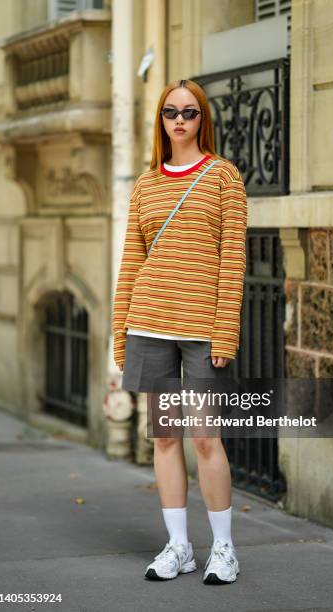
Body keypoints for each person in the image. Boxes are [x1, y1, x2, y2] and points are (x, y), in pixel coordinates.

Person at [112, 78, 247, 584]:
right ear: (161, 120)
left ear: (202, 119)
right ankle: (179, 547)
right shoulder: (147, 185)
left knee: (206, 438)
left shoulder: (223, 178)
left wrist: (224, 331)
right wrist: (120, 334)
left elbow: (232, 261)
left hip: (200, 330)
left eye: (190, 112)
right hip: (149, 324)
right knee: (165, 439)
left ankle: (225, 550)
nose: (180, 120)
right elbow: (132, 262)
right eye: (171, 112)